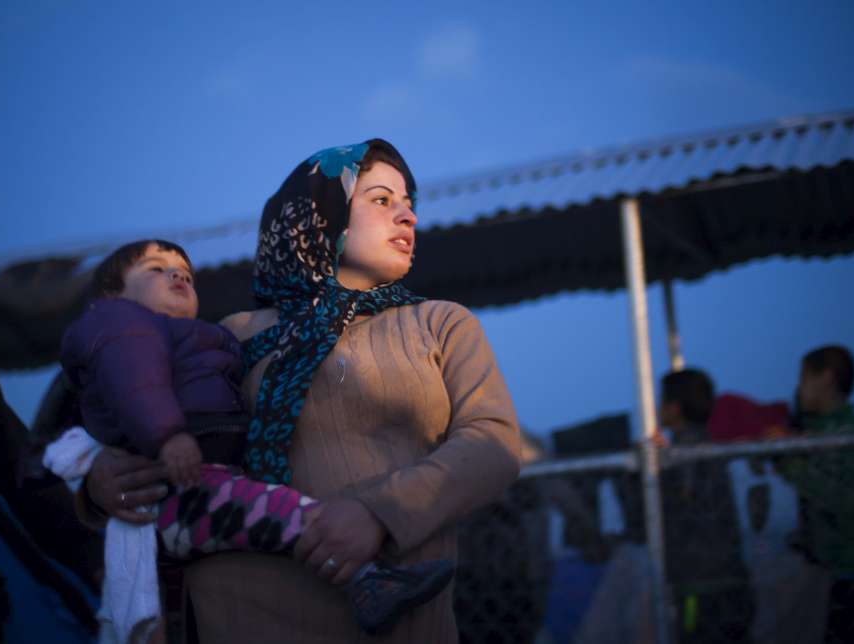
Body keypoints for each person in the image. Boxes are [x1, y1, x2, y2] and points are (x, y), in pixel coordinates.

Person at [81, 139, 522, 643]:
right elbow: (124, 395)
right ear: (319, 215)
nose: (408, 217)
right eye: (382, 200)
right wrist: (98, 481)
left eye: (409, 204)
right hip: (241, 620)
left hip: (399, 623)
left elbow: (494, 444)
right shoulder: (231, 335)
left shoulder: (441, 323)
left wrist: (379, 512)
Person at [56, 238, 456, 638]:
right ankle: (370, 581)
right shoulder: (121, 326)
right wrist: (168, 437)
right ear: (111, 294)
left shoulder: (206, 338)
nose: (178, 274)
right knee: (286, 513)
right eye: (156, 269)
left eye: (186, 274)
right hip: (179, 488)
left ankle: (370, 580)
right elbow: (136, 384)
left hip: (204, 481)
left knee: (278, 515)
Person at [773, 346, 854, 644]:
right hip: (853, 572)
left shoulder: (844, 432)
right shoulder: (821, 430)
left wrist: (785, 460)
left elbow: (840, 498)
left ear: (826, 379)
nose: (798, 387)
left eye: (804, 377)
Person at [652, 368, 755, 643]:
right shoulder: (709, 446)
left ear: (674, 408)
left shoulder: (684, 453)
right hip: (732, 578)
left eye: (661, 400)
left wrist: (657, 468)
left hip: (700, 584)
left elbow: (681, 501)